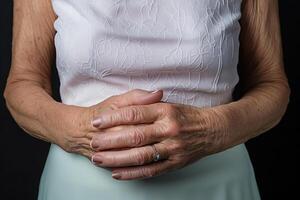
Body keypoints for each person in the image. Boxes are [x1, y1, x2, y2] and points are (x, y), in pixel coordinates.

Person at [3, 0, 290, 199]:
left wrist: (211, 129)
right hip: (82, 187)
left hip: (218, 184)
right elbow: (22, 85)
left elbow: (272, 85)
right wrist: (81, 128)